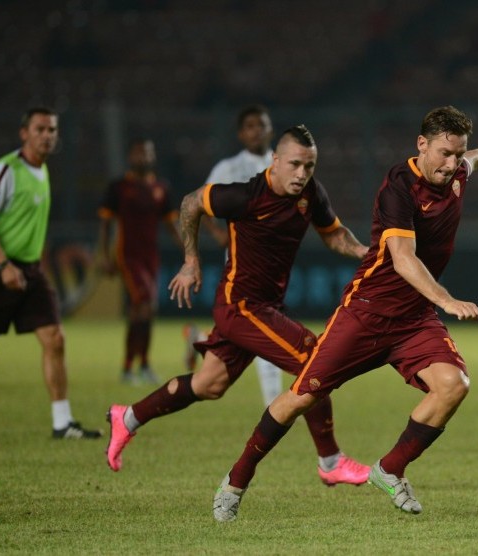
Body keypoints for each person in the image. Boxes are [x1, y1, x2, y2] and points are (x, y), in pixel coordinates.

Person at [210, 106, 478, 522]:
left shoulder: (455, 171)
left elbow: (471, 162)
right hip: (366, 314)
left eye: (456, 154)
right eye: (443, 153)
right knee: (301, 397)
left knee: (453, 385)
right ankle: (236, 480)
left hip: (413, 319)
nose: (451, 163)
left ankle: (390, 469)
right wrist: (446, 300)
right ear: (421, 145)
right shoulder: (398, 187)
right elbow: (402, 259)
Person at [106, 125, 371, 489]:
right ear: (275, 162)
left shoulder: (311, 193)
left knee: (209, 383)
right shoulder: (247, 196)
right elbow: (190, 203)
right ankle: (331, 462)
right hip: (240, 306)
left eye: (309, 167)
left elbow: (333, 234)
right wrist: (190, 260)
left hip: (264, 307)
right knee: (316, 358)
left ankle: (128, 417)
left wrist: (365, 252)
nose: (302, 174)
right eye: (294, 165)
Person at [0, 106, 102, 439]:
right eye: (40, 129)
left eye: (52, 130)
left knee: (54, 339)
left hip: (31, 270)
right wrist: (2, 265)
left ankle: (62, 423)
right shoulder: (7, 170)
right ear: (24, 133)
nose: (47, 136)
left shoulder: (43, 169)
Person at [185, 104, 285, 407]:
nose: (257, 131)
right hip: (242, 264)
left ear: (271, 129)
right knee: (267, 329)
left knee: (241, 334)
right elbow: (199, 203)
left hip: (276, 262)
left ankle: (199, 337)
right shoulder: (228, 168)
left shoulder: (282, 165)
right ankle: (274, 407)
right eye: (251, 126)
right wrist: (218, 235)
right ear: (241, 134)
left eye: (262, 125)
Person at [99, 138, 183, 385]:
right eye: (139, 153)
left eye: (147, 153)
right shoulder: (118, 187)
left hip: (151, 257)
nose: (143, 157)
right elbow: (106, 224)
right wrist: (105, 256)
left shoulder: (161, 188)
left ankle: (137, 366)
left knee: (144, 311)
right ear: (130, 156)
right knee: (144, 305)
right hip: (128, 255)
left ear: (153, 156)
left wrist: (188, 251)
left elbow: (171, 225)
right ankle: (133, 367)